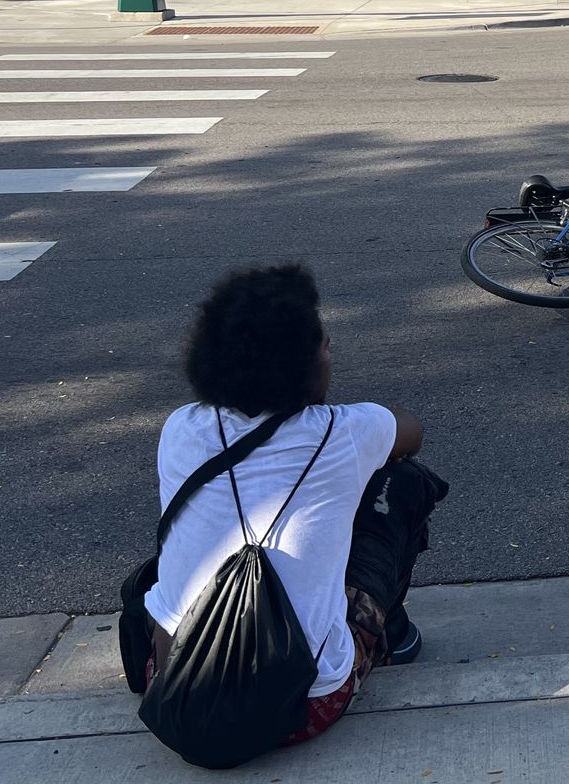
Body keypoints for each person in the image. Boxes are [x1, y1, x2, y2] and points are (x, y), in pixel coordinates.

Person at [144, 264, 448, 747]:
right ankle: (392, 633)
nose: (331, 354)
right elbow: (412, 433)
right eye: (324, 345)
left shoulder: (180, 426)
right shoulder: (344, 429)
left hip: (175, 691)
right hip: (299, 708)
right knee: (403, 481)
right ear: (302, 366)